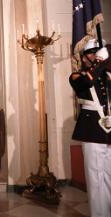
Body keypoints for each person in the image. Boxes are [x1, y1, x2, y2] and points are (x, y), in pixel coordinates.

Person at [69, 39, 111, 217]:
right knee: (96, 179)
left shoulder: (108, 75)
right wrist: (100, 61)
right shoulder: (77, 76)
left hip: (109, 130)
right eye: (92, 53)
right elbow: (85, 84)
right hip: (92, 130)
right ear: (85, 57)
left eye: (98, 52)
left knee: (109, 177)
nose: (95, 55)